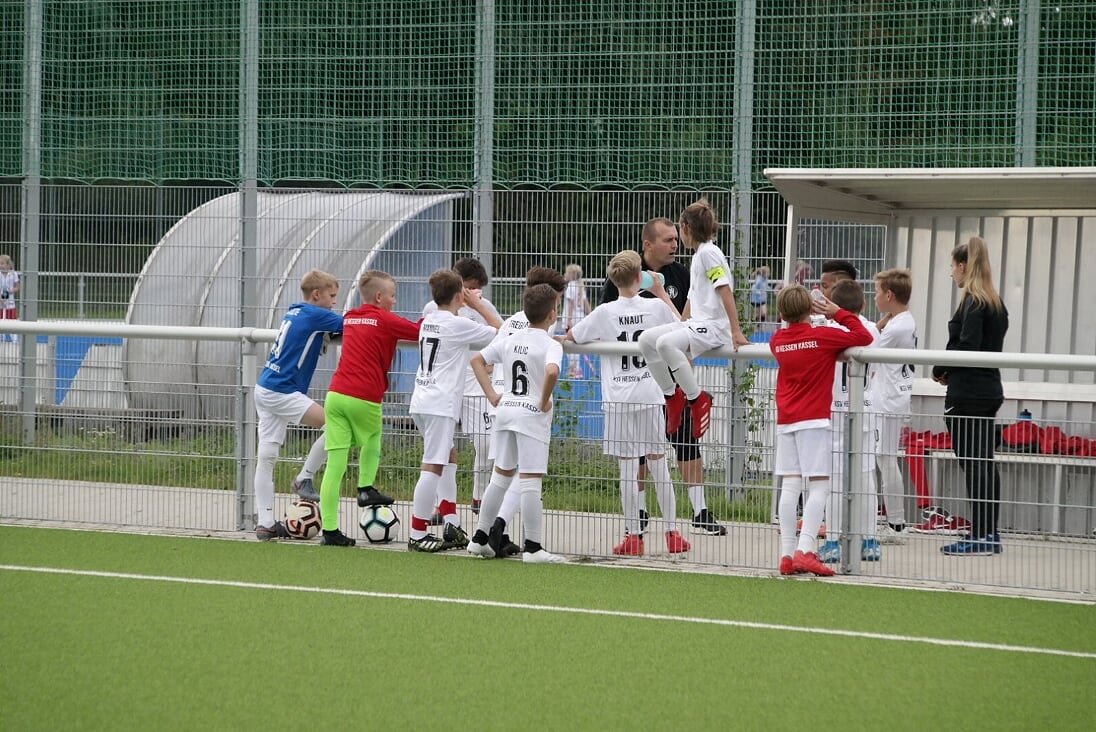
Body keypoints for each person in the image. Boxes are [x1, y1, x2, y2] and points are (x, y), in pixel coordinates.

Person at [601, 217, 727, 536]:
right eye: (667, 240)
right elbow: (607, 320)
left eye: (675, 238)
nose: (674, 245)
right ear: (648, 245)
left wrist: (685, 351)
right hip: (637, 380)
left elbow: (686, 322)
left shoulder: (682, 274)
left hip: (670, 373)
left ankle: (699, 510)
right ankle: (641, 510)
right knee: (640, 448)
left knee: (685, 439)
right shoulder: (626, 273)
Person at [565, 250, 689, 556]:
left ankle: (634, 535)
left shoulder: (604, 312)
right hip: (649, 393)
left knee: (627, 468)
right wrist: (660, 292)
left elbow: (572, 335)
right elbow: (682, 327)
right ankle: (672, 533)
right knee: (658, 463)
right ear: (639, 276)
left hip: (618, 397)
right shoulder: (655, 307)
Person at [770, 284, 873, 576]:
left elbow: (793, 336)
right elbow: (863, 336)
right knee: (820, 485)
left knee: (790, 485)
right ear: (811, 308)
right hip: (814, 419)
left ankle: (787, 554)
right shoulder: (822, 337)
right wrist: (836, 312)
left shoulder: (777, 340)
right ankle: (805, 549)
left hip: (786, 419)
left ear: (781, 314)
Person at [318, 270, 422, 547]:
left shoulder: (350, 316)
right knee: (373, 436)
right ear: (379, 297)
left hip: (335, 394)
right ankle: (365, 487)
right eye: (392, 296)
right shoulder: (385, 319)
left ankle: (330, 530)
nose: (395, 301)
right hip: (364, 395)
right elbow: (420, 331)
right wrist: (436, 314)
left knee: (335, 466)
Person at [467, 283, 566, 563]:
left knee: (500, 476)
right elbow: (551, 372)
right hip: (530, 416)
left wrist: (492, 395)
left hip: (506, 410)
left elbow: (477, 360)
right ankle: (533, 547)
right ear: (552, 314)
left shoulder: (511, 337)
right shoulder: (550, 344)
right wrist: (544, 400)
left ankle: (479, 538)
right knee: (531, 480)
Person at [638, 199, 749, 444]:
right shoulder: (700, 256)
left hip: (713, 326)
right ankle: (672, 396)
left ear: (686, 228)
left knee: (665, 344)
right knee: (646, 340)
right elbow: (691, 299)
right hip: (697, 324)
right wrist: (681, 323)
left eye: (679, 231)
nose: (677, 241)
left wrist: (735, 330)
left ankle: (697, 399)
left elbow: (724, 289)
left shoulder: (709, 254)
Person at [407, 268, 501, 552]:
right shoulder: (457, 325)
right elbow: (503, 331)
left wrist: (464, 303)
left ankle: (450, 522)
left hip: (422, 398)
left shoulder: (430, 319)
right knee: (433, 465)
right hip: (440, 403)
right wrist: (478, 305)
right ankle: (417, 533)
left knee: (448, 456)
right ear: (460, 296)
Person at [252, 270, 345, 540]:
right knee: (338, 426)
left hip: (265, 387)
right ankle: (304, 477)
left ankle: (266, 523)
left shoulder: (295, 311)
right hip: (283, 391)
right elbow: (353, 325)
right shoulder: (317, 314)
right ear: (316, 295)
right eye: (331, 296)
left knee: (266, 457)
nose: (334, 302)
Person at [931, 236, 1009, 556]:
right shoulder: (995, 303)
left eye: (953, 266)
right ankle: (988, 533)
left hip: (968, 393)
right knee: (984, 462)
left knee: (974, 463)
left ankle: (981, 535)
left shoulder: (973, 302)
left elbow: (967, 346)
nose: (951, 272)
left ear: (963, 266)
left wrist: (940, 368)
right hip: (989, 389)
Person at [816, 279, 881, 564]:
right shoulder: (871, 330)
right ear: (863, 304)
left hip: (834, 409)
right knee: (866, 474)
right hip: (865, 408)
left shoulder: (828, 329)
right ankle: (869, 540)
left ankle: (833, 541)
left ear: (833, 306)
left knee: (834, 478)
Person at [870, 268, 917, 545]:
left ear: (889, 295)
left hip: (889, 400)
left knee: (885, 458)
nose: (875, 297)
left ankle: (897, 525)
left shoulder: (898, 327)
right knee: (883, 458)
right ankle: (894, 522)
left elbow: (869, 349)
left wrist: (877, 326)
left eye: (878, 292)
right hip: (889, 397)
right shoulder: (901, 321)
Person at [561, 263, 589, 378]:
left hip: (572, 318)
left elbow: (571, 304)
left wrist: (569, 320)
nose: (564, 274)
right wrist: (589, 315)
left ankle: (574, 369)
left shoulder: (571, 286)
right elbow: (586, 303)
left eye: (566, 272)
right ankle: (576, 368)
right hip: (580, 317)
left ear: (571, 274)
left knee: (569, 343)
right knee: (576, 342)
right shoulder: (580, 286)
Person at [0, 254, 19, 341]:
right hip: (0, 303)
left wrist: (10, 291)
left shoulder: (13, 274)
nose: (0, 265)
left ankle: (15, 341)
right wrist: (1, 299)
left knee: (12, 322)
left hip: (11, 302)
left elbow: (17, 287)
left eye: (2, 263)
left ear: (8, 264)